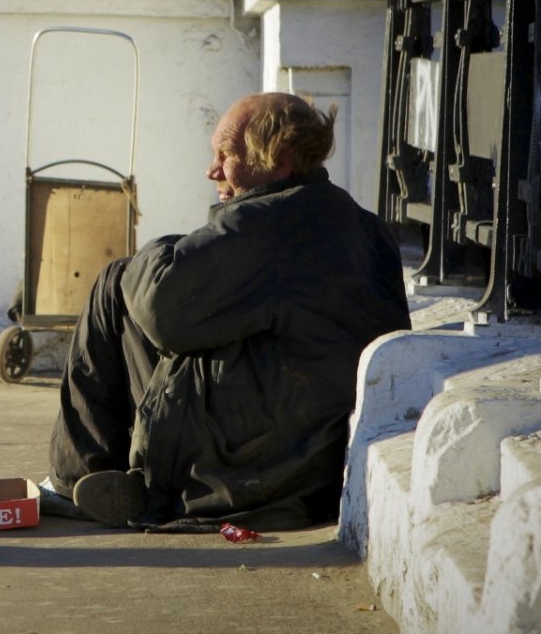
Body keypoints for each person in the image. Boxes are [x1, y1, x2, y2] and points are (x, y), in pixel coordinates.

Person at [44, 92, 411, 531]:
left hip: (247, 471)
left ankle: (75, 481)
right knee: (137, 294)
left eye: (227, 155)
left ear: (281, 160)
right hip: (309, 464)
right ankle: (112, 477)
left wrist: (157, 249)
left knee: (116, 280)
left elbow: (164, 310)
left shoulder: (265, 223)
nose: (212, 170)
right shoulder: (359, 223)